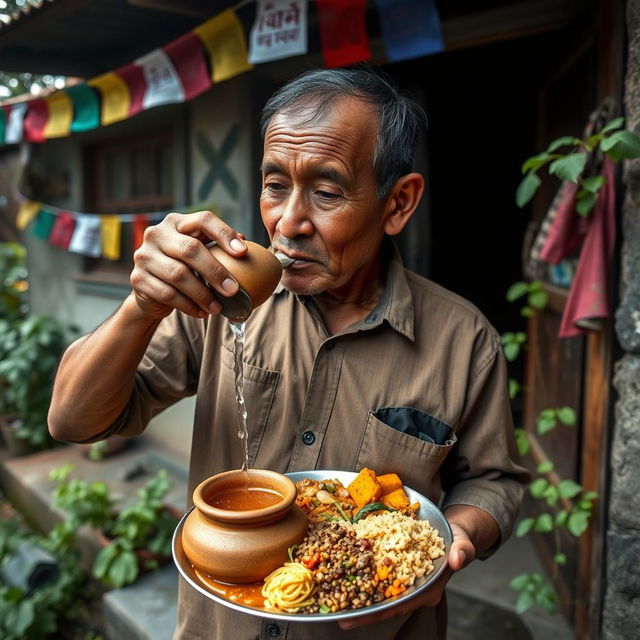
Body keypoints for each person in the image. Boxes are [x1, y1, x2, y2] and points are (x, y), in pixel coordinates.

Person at [48, 68, 529, 640]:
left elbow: (492, 480)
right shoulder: (219, 299)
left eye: (326, 192)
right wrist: (140, 307)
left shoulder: (462, 339)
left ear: (398, 203)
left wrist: (455, 539)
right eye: (275, 185)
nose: (288, 223)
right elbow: (73, 421)